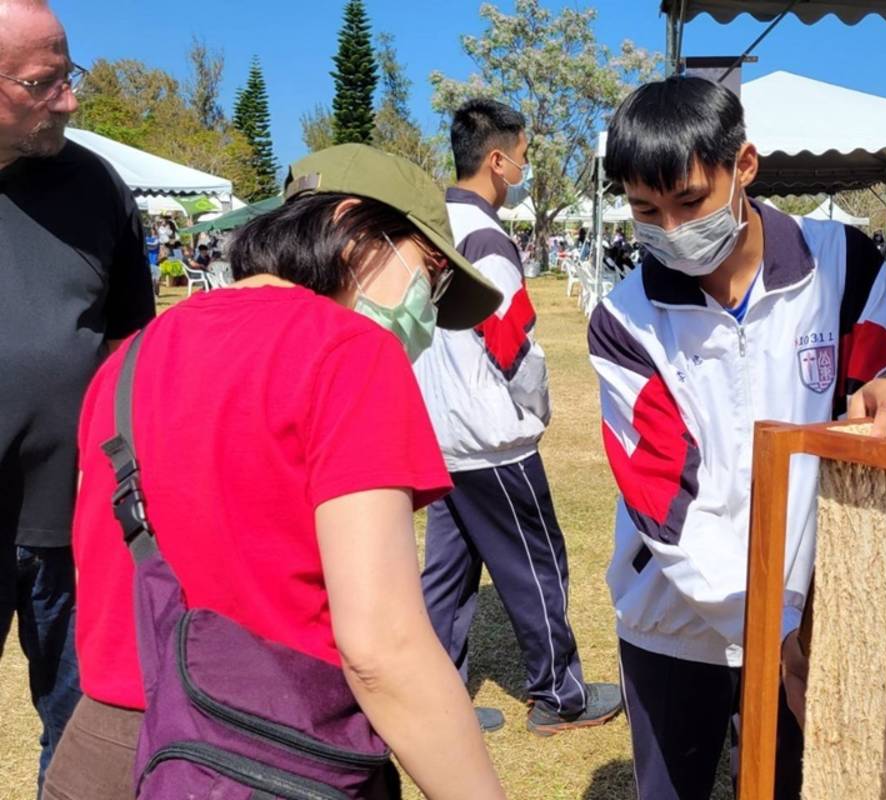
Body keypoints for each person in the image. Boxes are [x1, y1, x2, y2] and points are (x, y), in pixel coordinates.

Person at [45, 144, 508, 800]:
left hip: (103, 753)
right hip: (268, 755)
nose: (428, 306)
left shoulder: (129, 360)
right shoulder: (351, 354)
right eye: (430, 272)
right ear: (354, 230)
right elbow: (382, 651)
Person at [588, 76, 886, 800]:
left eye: (691, 202)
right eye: (646, 210)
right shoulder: (624, 319)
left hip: (816, 619)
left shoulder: (840, 265)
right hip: (674, 622)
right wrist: (772, 632)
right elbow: (666, 503)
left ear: (745, 166)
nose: (671, 231)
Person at [412, 98, 622, 736]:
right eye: (524, 157)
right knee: (537, 563)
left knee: (446, 579)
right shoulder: (485, 238)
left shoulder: (424, 225)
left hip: (439, 433)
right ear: (498, 161)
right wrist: (537, 410)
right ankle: (559, 695)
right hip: (491, 438)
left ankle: (433, 700)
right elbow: (513, 343)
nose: (525, 169)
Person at [0, 2, 154, 793]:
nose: (68, 99)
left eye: (70, 75)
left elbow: (135, 346)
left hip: (76, 520)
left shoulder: (96, 186)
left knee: (79, 730)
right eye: (41, 83)